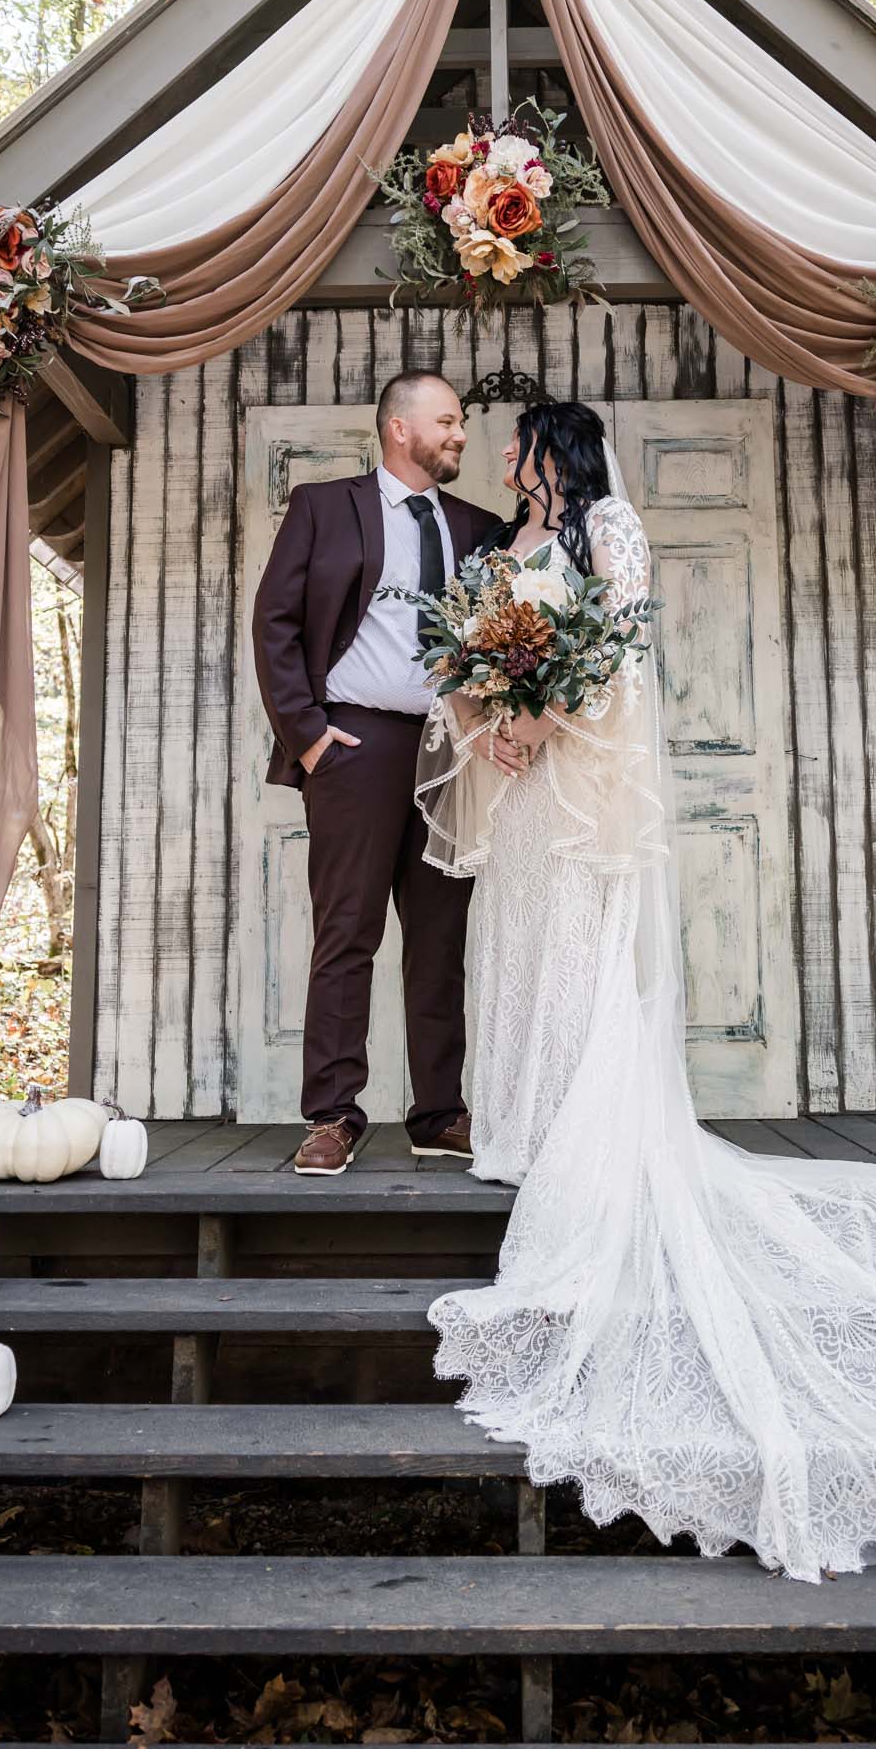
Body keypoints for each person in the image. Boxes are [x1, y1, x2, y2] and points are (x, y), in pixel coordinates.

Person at [414, 398, 876, 1580]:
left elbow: (621, 664)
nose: (501, 458)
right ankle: (517, 1121)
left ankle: (570, 1129)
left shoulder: (610, 530)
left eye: (518, 444)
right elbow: (471, 658)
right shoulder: (505, 550)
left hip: (580, 783)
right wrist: (487, 716)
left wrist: (539, 723)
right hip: (522, 791)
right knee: (515, 945)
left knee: (575, 950)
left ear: (559, 450)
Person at [252, 370, 495, 1174]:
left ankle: (437, 1112)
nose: (460, 435)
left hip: (445, 751)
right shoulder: (325, 508)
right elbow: (275, 623)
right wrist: (310, 735)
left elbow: (501, 643)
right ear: (401, 427)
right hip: (353, 747)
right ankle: (331, 1115)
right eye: (449, 421)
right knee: (346, 933)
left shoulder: (480, 529)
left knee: (438, 940)